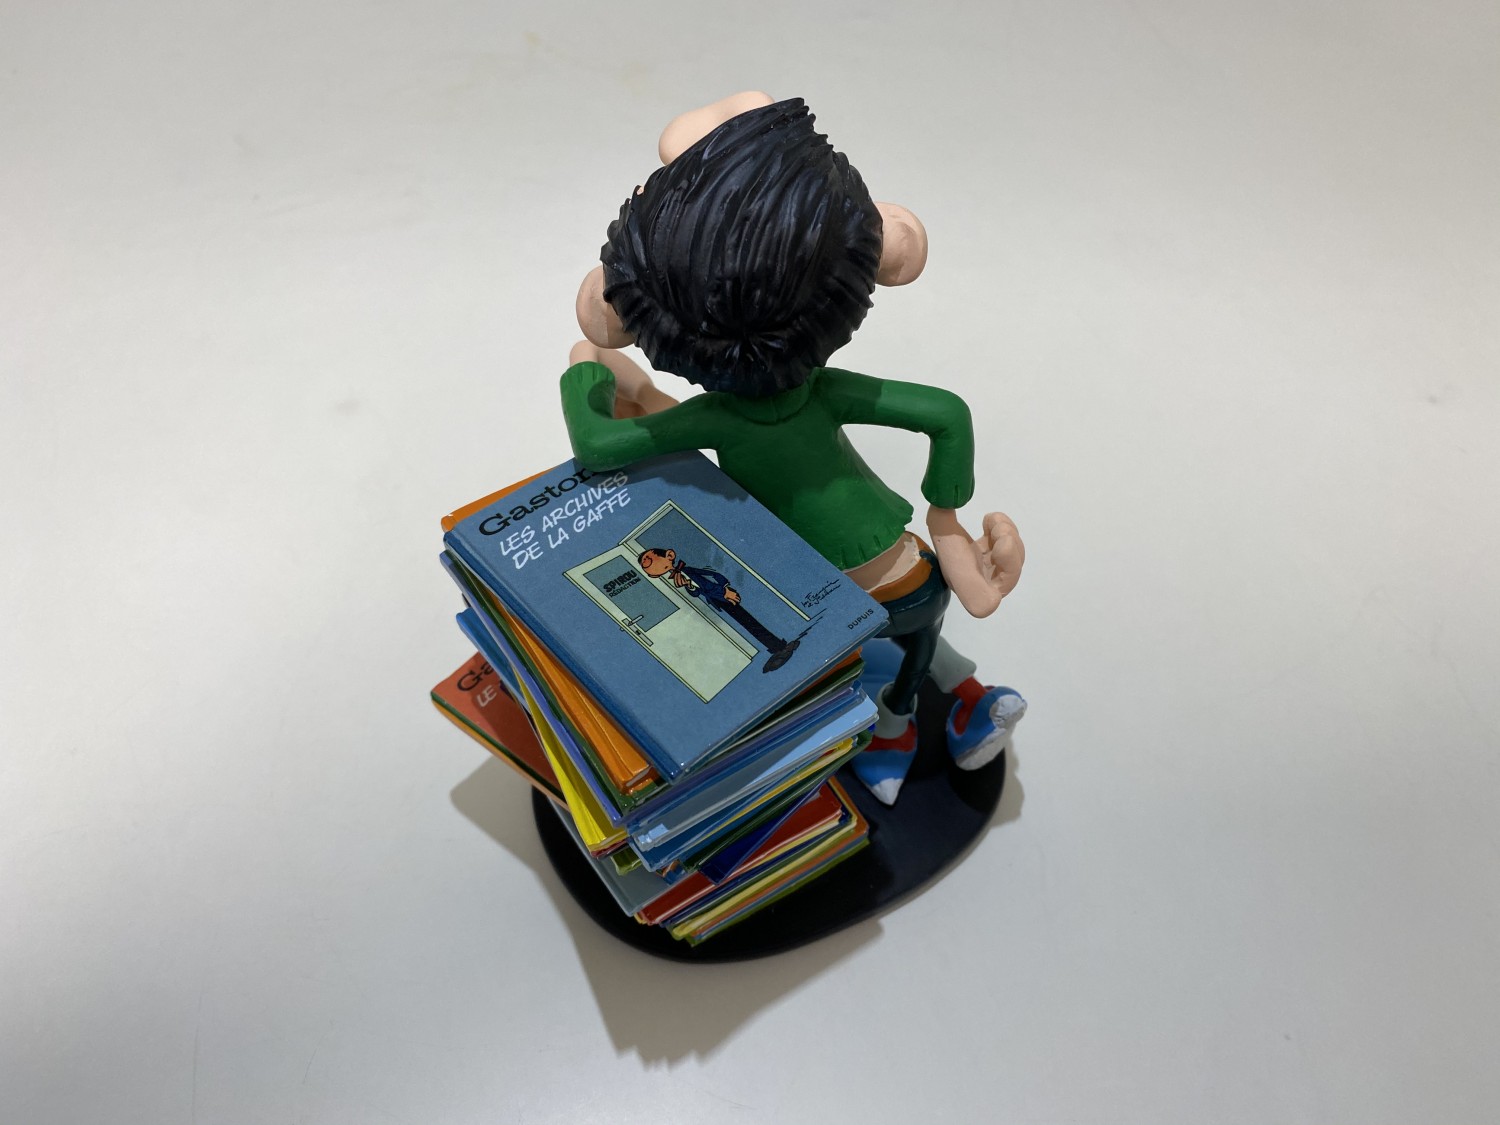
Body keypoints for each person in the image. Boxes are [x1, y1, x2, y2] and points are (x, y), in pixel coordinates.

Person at [561, 93, 1025, 805]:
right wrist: (946, 517)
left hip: (813, 596)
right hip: (910, 575)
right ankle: (935, 710)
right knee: (915, 644)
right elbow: (946, 413)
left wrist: (588, 374)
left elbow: (600, 445)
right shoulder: (824, 391)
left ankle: (894, 729)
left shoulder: (717, 416)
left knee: (846, 669)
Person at [636, 547, 801, 672]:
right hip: (718, 601)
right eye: (646, 567)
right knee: (747, 624)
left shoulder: (687, 570)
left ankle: (779, 646)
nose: (648, 565)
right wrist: (689, 586)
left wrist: (725, 589)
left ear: (670, 555)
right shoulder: (679, 577)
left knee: (750, 622)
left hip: (723, 595)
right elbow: (696, 592)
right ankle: (777, 647)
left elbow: (712, 575)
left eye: (649, 560)